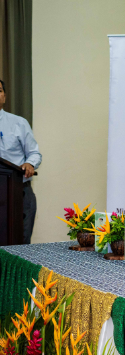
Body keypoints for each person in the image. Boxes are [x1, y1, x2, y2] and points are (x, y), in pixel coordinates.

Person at [0, 79, 42, 244]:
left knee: (20, 245)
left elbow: (34, 153)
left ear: (4, 96)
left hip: (18, 193)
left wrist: (30, 163)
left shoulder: (18, 123)